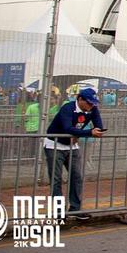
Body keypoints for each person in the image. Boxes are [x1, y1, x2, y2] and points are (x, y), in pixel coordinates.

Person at [44, 88, 105, 219]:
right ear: (80, 99)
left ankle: (75, 208)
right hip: (55, 145)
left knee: (77, 176)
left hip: (72, 146)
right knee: (56, 179)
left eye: (93, 103)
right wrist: (89, 133)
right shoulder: (68, 108)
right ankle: (58, 212)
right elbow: (67, 128)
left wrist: (98, 131)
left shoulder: (92, 109)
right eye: (89, 103)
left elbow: (98, 125)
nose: (91, 106)